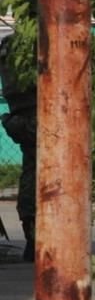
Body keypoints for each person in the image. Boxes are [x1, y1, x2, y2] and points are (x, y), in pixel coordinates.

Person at [0, 34, 37, 262]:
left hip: (21, 118)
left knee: (31, 172)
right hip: (38, 116)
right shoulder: (38, 41)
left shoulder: (9, 46)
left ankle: (32, 236)